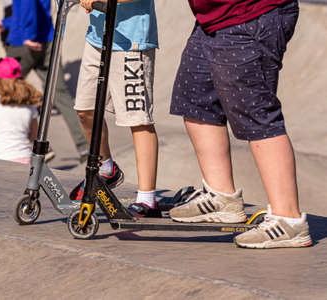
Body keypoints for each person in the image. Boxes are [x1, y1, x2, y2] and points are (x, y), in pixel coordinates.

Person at [169, 0, 312, 248]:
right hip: (214, 18)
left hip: (250, 14)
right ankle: (221, 197)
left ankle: (289, 220)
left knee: (256, 114)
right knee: (195, 97)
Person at [71, 0, 160, 218]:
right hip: (97, 37)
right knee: (85, 109)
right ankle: (106, 169)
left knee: (137, 120)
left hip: (130, 41)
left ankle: (147, 199)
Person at [0, 0, 89, 162]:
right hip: (47, 39)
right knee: (60, 94)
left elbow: (29, 5)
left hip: (24, 42)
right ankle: (85, 147)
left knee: (7, 91)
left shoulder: (27, 33)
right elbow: (35, 8)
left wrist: (28, 35)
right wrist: (5, 23)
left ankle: (20, 146)